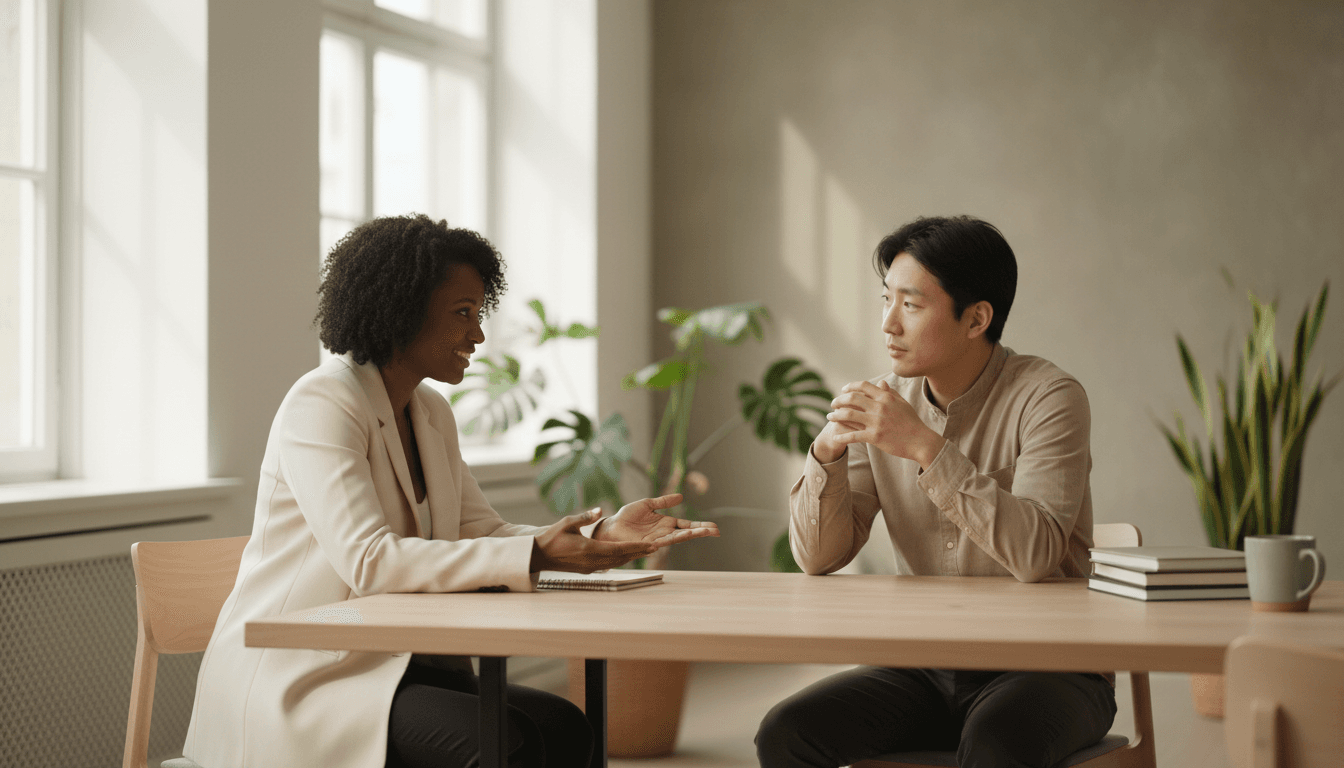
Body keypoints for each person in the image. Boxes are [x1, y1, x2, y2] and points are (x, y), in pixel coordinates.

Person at [182, 215, 718, 768]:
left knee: (565, 728)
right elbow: (369, 561)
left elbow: (485, 533)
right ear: (400, 309)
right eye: (462, 313)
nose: (478, 334)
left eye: (478, 314)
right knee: (500, 746)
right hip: (303, 674)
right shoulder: (322, 403)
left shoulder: (430, 411)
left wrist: (598, 536)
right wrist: (534, 552)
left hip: (396, 667)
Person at [756, 216, 1114, 768]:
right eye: (886, 300)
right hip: (925, 665)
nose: (887, 325)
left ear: (976, 319)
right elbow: (819, 558)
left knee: (996, 746)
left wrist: (927, 449)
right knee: (787, 732)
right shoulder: (884, 404)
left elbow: (1038, 554)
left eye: (911, 305)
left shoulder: (1050, 398)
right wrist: (825, 453)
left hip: (1049, 666)